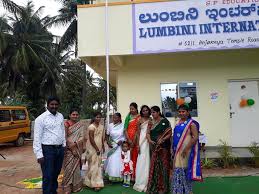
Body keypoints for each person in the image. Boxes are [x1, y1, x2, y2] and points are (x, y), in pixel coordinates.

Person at [33, 96, 66, 194]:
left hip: (59, 149)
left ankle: (53, 191)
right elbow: (37, 137)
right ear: (47, 105)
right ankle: (47, 192)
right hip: (47, 150)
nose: (54, 106)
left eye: (56, 104)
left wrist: (64, 145)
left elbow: (62, 131)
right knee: (48, 174)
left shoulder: (60, 116)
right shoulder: (41, 119)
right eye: (52, 104)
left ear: (58, 105)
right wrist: (39, 155)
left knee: (56, 172)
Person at [172, 104, 202, 194]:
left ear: (188, 112)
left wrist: (186, 149)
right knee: (177, 168)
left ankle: (187, 191)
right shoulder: (177, 122)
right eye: (180, 111)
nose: (181, 113)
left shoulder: (191, 124)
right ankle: (178, 190)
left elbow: (195, 137)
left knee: (184, 169)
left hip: (186, 150)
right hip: (177, 149)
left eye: (183, 111)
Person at [146, 106, 172, 194]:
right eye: (151, 113)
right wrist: (149, 140)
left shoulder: (164, 121)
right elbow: (148, 133)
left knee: (163, 167)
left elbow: (169, 133)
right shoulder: (150, 122)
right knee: (154, 167)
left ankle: (163, 188)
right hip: (154, 147)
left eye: (154, 112)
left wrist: (163, 139)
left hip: (163, 147)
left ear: (158, 112)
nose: (152, 114)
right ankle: (155, 186)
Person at [62, 109, 85, 193]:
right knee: (68, 168)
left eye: (76, 114)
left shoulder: (80, 125)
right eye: (73, 114)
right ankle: (67, 186)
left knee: (76, 169)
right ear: (69, 115)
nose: (75, 116)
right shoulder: (66, 124)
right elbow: (64, 137)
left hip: (77, 148)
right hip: (68, 149)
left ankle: (76, 186)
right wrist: (71, 146)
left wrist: (75, 144)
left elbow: (82, 137)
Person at [84, 112, 105, 191]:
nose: (98, 119)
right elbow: (91, 139)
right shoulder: (91, 127)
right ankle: (95, 184)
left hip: (99, 147)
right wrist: (96, 149)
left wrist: (102, 146)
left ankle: (94, 182)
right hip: (92, 148)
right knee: (93, 165)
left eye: (99, 117)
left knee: (98, 164)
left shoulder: (102, 126)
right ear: (94, 118)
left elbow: (101, 137)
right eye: (97, 117)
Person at [133, 105, 151, 192]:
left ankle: (149, 182)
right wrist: (137, 145)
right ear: (141, 112)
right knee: (142, 160)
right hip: (142, 142)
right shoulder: (139, 120)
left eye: (146, 110)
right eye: (143, 111)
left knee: (149, 160)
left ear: (149, 111)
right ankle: (141, 182)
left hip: (150, 141)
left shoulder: (151, 119)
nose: (145, 112)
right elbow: (137, 133)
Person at [104, 112, 125, 182]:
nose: (114, 119)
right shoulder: (110, 125)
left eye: (116, 117)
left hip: (119, 146)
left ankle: (119, 176)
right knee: (111, 160)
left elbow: (125, 136)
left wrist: (122, 140)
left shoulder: (123, 125)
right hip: (112, 145)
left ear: (119, 118)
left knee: (118, 161)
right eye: (113, 117)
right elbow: (107, 135)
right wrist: (108, 142)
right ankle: (110, 176)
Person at [124, 102, 141, 181]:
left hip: (137, 139)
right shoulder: (128, 117)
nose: (131, 110)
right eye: (130, 109)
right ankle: (129, 176)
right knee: (129, 158)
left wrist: (134, 141)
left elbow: (139, 130)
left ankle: (136, 176)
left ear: (136, 108)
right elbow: (125, 129)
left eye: (133, 109)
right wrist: (128, 140)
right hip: (129, 139)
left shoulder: (140, 117)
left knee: (136, 157)